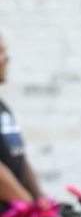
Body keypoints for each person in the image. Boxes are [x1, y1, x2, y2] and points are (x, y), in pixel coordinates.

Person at [0, 34, 44, 203]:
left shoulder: (3, 108)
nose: (6, 59)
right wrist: (29, 204)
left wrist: (41, 200)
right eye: (0, 52)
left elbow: (18, 156)